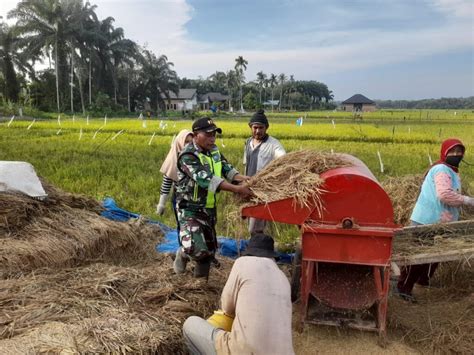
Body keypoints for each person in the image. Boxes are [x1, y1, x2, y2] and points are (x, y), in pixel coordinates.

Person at [182, 234, 295, 355]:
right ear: (272, 256)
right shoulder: (283, 278)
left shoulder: (243, 262)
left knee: (190, 324)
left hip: (245, 351)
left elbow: (226, 307)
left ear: (250, 252)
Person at [396, 138, 474, 301]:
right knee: (419, 256)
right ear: (444, 152)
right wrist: (468, 200)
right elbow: (444, 195)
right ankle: (404, 288)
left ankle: (423, 281)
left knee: (434, 255)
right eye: (452, 151)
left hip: (439, 221)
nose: (457, 154)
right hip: (428, 220)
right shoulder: (442, 169)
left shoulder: (451, 170)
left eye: (459, 151)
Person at [174, 117, 252, 278]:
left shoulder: (214, 151)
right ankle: (183, 253)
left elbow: (228, 170)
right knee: (198, 251)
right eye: (208, 134)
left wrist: (245, 179)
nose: (212, 138)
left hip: (209, 210)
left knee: (209, 253)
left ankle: (201, 286)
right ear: (195, 135)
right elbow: (207, 180)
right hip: (190, 209)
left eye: (214, 135)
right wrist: (237, 189)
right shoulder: (188, 156)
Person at [243, 109, 286, 234]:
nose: (257, 131)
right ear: (250, 127)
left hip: (263, 191)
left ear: (266, 128)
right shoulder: (248, 143)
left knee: (256, 226)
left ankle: (259, 248)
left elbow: (283, 159)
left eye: (261, 128)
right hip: (248, 188)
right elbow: (246, 164)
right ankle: (257, 246)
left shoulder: (274, 145)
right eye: (255, 127)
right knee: (251, 221)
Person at [156, 129, 194, 225]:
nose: (189, 145)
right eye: (186, 142)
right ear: (179, 142)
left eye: (191, 142)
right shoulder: (173, 159)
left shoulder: (197, 157)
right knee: (183, 227)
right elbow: (166, 183)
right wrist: (161, 205)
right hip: (180, 200)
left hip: (196, 200)